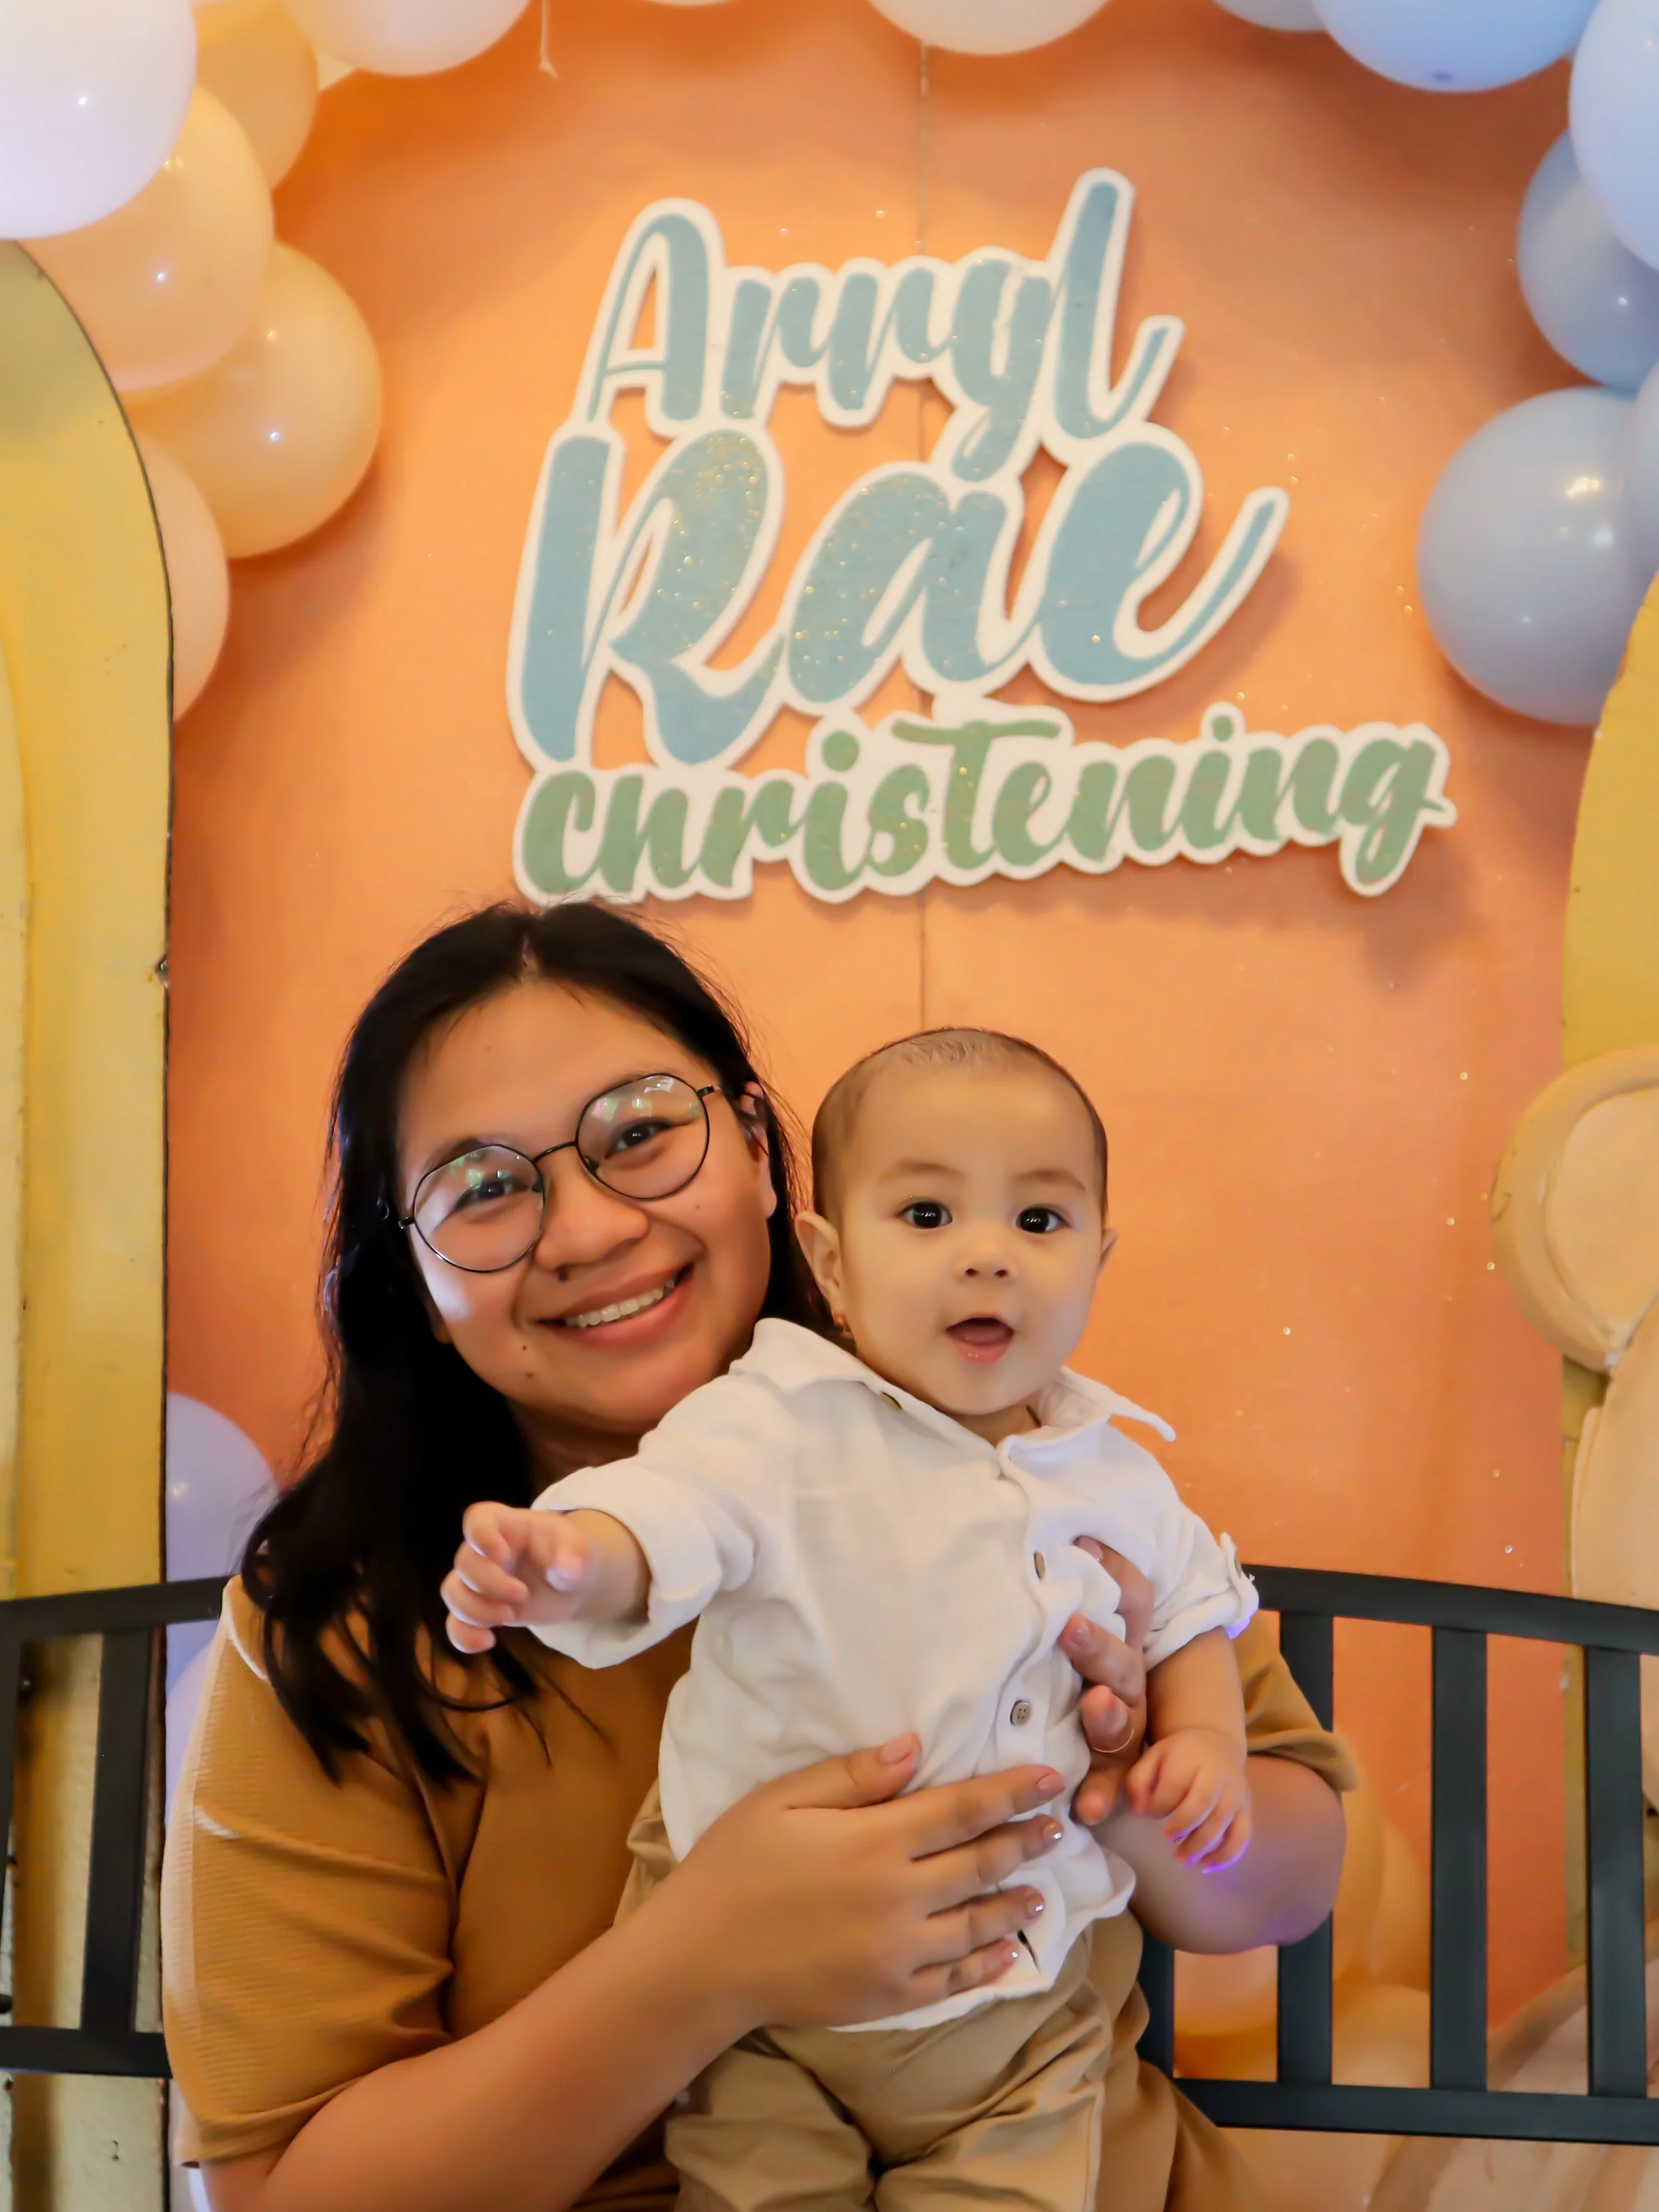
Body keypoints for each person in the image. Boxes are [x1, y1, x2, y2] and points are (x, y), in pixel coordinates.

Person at [162, 902, 1353, 2212]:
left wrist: (1132, 1772)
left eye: (640, 1130)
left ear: (758, 1155)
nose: (587, 1228)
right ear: (413, 1281)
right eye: (485, 1186)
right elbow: (283, 2193)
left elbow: (1279, 1888)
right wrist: (702, 1962)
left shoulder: (1018, 1450)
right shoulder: (345, 1630)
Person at [441, 1025, 1262, 2211]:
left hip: (1015, 2002)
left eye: (1039, 1222)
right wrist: (573, 1560)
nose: (988, 1258)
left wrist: (1204, 1742)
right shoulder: (782, 1414)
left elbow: (1191, 1613)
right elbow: (672, 1510)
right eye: (926, 1217)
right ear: (827, 1257)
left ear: (1099, 1253)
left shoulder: (1115, 1470)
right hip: (763, 2006)